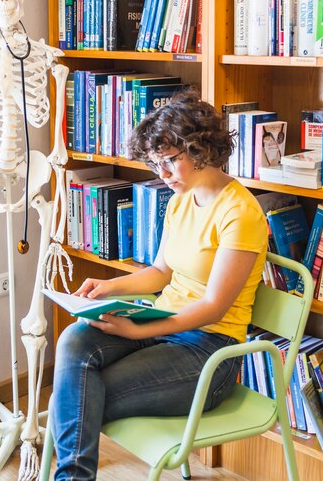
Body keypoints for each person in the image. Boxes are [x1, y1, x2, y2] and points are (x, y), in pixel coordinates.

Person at [50, 89, 268, 481]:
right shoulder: (181, 199)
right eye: (155, 164)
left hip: (210, 349)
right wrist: (108, 287)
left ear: (201, 149)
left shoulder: (241, 214)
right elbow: (161, 272)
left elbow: (214, 307)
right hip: (163, 321)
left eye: (169, 162)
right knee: (74, 341)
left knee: (81, 396)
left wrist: (140, 328)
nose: (162, 175)